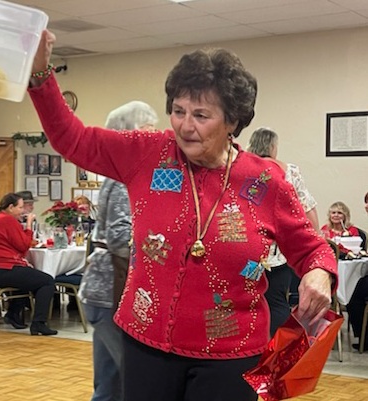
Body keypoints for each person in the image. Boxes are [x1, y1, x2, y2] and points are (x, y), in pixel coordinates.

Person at [28, 30, 337, 401]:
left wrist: (319, 274)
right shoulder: (148, 153)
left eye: (201, 115)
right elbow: (71, 139)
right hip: (147, 345)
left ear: (233, 121)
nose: (185, 126)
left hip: (232, 354)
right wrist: (40, 75)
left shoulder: (265, 180)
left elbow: (312, 249)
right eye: (178, 111)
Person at [78, 100, 158, 401]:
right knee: (135, 383)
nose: (153, 140)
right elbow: (120, 237)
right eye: (146, 133)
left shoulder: (120, 176)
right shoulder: (125, 179)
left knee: (109, 386)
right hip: (111, 293)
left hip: (102, 292)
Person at [247, 127, 320, 336]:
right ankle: (276, 353)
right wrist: (314, 241)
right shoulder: (289, 171)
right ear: (273, 147)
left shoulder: (242, 168)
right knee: (277, 301)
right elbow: (307, 207)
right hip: (277, 253)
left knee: (246, 300)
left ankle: (251, 349)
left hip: (249, 250)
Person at [0, 192, 57, 336]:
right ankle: (38, 323)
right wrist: (28, 225)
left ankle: (13, 313)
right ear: (11, 207)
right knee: (47, 281)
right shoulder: (7, 220)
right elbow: (23, 246)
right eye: (21, 207)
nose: (23, 211)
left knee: (27, 277)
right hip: (3, 269)